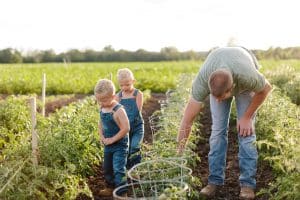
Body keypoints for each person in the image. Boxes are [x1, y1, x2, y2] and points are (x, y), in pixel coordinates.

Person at [177, 47, 272, 199]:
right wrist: (179, 150)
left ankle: (247, 185)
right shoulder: (202, 79)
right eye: (214, 97)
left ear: (231, 89)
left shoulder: (247, 76)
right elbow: (187, 119)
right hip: (221, 66)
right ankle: (214, 181)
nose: (218, 100)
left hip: (244, 83)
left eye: (221, 97)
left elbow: (266, 89)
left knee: (246, 133)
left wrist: (247, 117)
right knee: (217, 132)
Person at [94, 79, 129, 197]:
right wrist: (101, 136)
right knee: (107, 167)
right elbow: (101, 123)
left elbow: (126, 128)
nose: (102, 103)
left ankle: (121, 193)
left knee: (118, 168)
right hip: (108, 144)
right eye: (99, 101)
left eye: (104, 100)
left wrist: (112, 139)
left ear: (113, 96)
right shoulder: (102, 108)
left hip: (120, 145)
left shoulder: (119, 110)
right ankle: (110, 186)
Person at [116, 68, 144, 169]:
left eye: (127, 84)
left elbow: (137, 111)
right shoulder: (118, 96)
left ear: (133, 81)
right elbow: (116, 113)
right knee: (126, 149)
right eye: (121, 85)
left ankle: (136, 169)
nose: (124, 87)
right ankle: (127, 170)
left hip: (137, 126)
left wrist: (127, 123)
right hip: (124, 129)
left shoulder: (138, 94)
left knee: (134, 147)